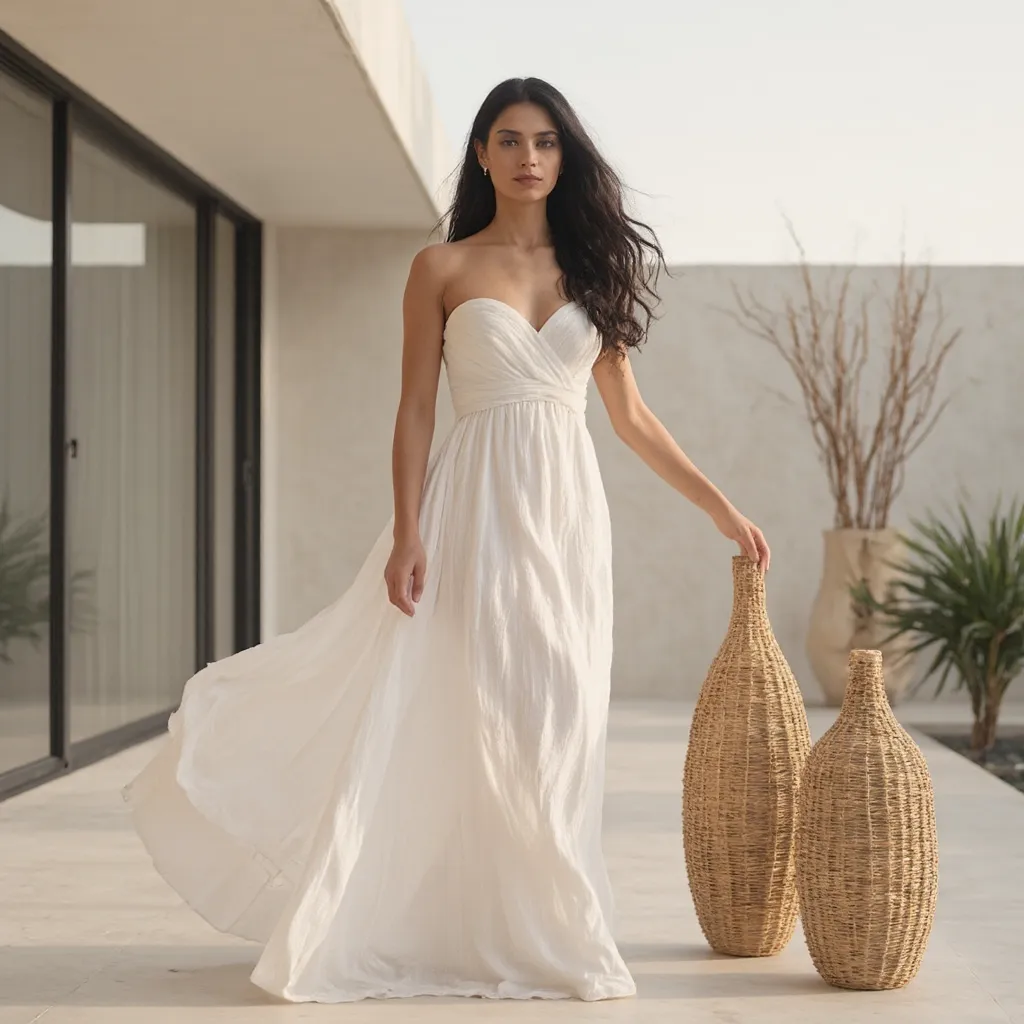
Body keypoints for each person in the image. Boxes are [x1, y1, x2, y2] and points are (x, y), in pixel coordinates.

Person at [124, 77, 770, 1004]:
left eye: (545, 142)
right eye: (509, 141)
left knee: (558, 716)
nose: (529, 158)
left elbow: (630, 419)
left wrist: (719, 506)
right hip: (470, 510)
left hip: (566, 518)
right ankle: (452, 922)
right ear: (482, 153)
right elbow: (416, 410)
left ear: (564, 155)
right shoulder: (441, 269)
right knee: (464, 712)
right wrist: (409, 532)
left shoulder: (589, 270)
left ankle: (554, 930)